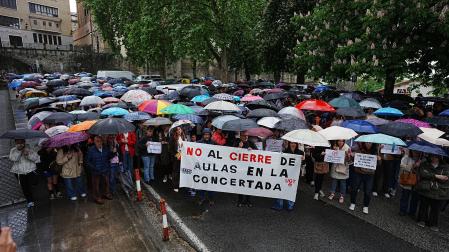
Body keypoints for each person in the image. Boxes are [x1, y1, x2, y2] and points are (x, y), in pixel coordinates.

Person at [415, 155, 449, 231]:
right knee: (424, 205)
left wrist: (432, 177)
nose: (434, 158)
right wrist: (436, 176)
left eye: (436, 157)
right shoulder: (425, 164)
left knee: (436, 208)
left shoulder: (445, 166)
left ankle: (433, 223)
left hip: (439, 189)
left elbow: (445, 178)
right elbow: (423, 174)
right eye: (432, 156)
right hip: (426, 187)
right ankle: (422, 220)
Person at [272, 141, 304, 211]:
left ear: (297, 144)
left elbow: (303, 164)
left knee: (292, 189)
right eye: (291, 143)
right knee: (282, 187)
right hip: (285, 173)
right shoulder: (285, 151)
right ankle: (279, 204)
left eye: (294, 143)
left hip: (294, 174)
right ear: (289, 144)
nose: (293, 144)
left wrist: (303, 160)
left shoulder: (300, 152)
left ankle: (290, 205)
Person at [349, 142, 379, 214]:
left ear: (373, 144)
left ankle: (366, 206)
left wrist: (379, 159)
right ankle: (352, 203)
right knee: (354, 188)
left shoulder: (375, 151)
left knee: (368, 191)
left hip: (369, 175)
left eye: (370, 143)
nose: (368, 144)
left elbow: (378, 165)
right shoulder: (359, 149)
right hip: (358, 173)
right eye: (367, 143)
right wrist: (352, 155)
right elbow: (353, 160)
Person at [9, 139, 39, 208]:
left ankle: (34, 196)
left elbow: (35, 158)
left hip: (30, 170)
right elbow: (13, 159)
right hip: (19, 172)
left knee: (33, 183)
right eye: (18, 143)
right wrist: (20, 152)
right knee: (24, 187)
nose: (20, 144)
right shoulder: (13, 150)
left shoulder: (29, 148)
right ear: (15, 143)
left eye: (21, 142)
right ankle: (30, 201)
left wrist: (27, 155)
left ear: (24, 142)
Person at [87, 136, 115, 204]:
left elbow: (109, 157)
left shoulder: (105, 148)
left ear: (102, 142)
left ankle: (106, 194)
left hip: (105, 169)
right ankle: (97, 197)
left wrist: (113, 152)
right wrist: (94, 168)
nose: (99, 143)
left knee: (106, 183)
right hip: (96, 171)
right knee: (96, 185)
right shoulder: (91, 150)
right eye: (97, 141)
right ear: (94, 142)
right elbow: (88, 161)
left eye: (100, 141)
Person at [234, 131, 257, 207]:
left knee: (248, 184)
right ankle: (240, 200)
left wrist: (253, 150)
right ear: (240, 136)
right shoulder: (237, 142)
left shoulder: (251, 143)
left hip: (249, 167)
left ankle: (248, 200)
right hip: (240, 168)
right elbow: (231, 154)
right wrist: (239, 148)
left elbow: (258, 153)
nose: (246, 137)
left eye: (247, 135)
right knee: (240, 184)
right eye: (244, 136)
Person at [398, 150, 421, 216]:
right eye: (414, 151)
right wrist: (413, 166)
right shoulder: (406, 157)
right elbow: (402, 165)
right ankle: (402, 210)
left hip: (417, 181)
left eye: (416, 151)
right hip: (407, 179)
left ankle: (412, 212)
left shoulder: (422, 160)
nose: (415, 152)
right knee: (405, 195)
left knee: (415, 198)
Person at [328, 140, 350, 204]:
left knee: (343, 182)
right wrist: (333, 151)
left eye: (341, 141)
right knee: (334, 181)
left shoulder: (347, 148)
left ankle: (342, 196)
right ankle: (332, 193)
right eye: (339, 141)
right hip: (335, 166)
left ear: (344, 141)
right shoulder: (335, 147)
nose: (340, 142)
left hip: (343, 167)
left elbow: (349, 160)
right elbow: (331, 156)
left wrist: (348, 155)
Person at [197, 128, 215, 206]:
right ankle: (202, 198)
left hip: (211, 168)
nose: (207, 136)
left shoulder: (214, 143)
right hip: (202, 167)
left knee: (211, 184)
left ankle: (211, 199)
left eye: (208, 134)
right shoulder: (198, 143)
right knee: (202, 183)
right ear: (203, 135)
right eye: (205, 134)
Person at [169, 126, 186, 192]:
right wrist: (176, 155)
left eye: (180, 129)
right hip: (176, 157)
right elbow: (170, 149)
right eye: (178, 129)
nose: (179, 130)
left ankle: (180, 184)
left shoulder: (183, 137)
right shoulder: (173, 138)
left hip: (183, 157)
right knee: (176, 171)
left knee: (181, 171)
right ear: (175, 131)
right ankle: (175, 186)